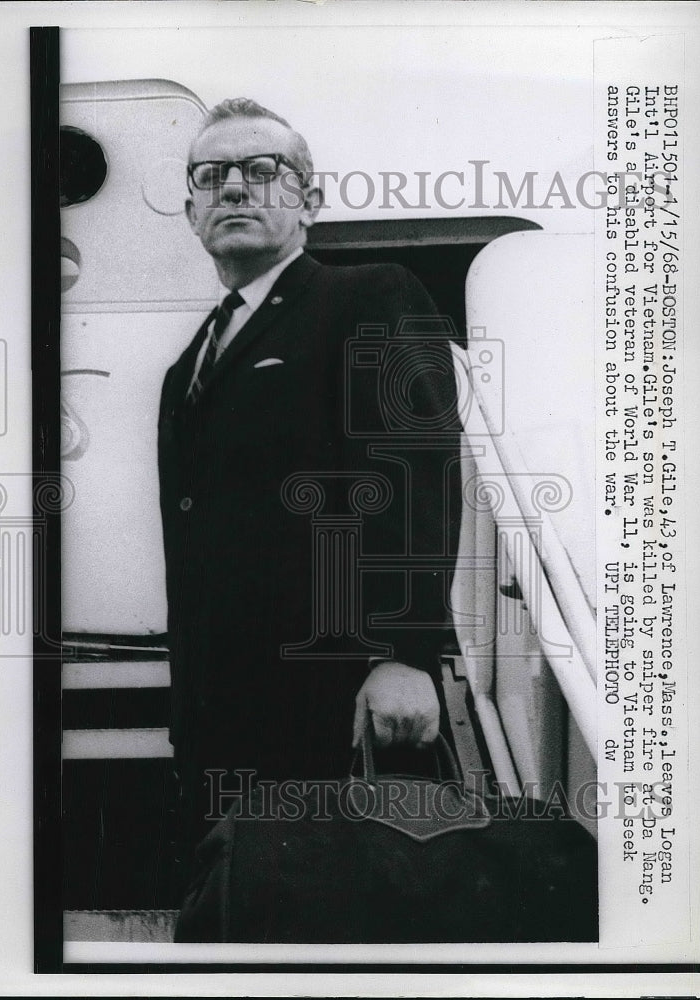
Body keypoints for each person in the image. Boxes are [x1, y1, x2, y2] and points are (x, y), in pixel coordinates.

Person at [158, 98, 462, 867]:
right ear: (192, 208)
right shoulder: (184, 366)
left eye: (262, 171)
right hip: (215, 718)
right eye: (211, 175)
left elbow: (413, 468)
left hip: (329, 704)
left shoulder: (365, 294)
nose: (233, 189)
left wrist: (403, 653)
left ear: (309, 201)